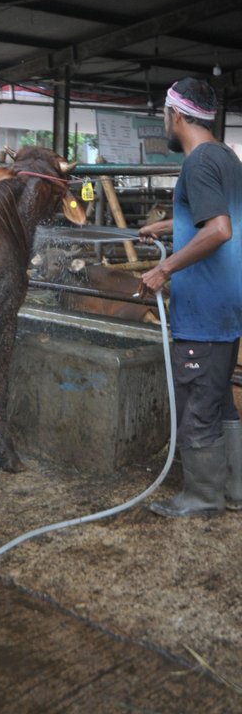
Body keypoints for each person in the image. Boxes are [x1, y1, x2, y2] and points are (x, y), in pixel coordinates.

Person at [139, 77, 242, 518]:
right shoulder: (226, 157)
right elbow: (216, 216)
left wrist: (164, 267)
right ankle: (235, 488)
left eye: (165, 115)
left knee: (198, 405)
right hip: (228, 305)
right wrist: (167, 228)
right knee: (219, 399)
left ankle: (201, 498)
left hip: (204, 307)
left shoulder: (197, 163)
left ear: (175, 115)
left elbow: (220, 229)